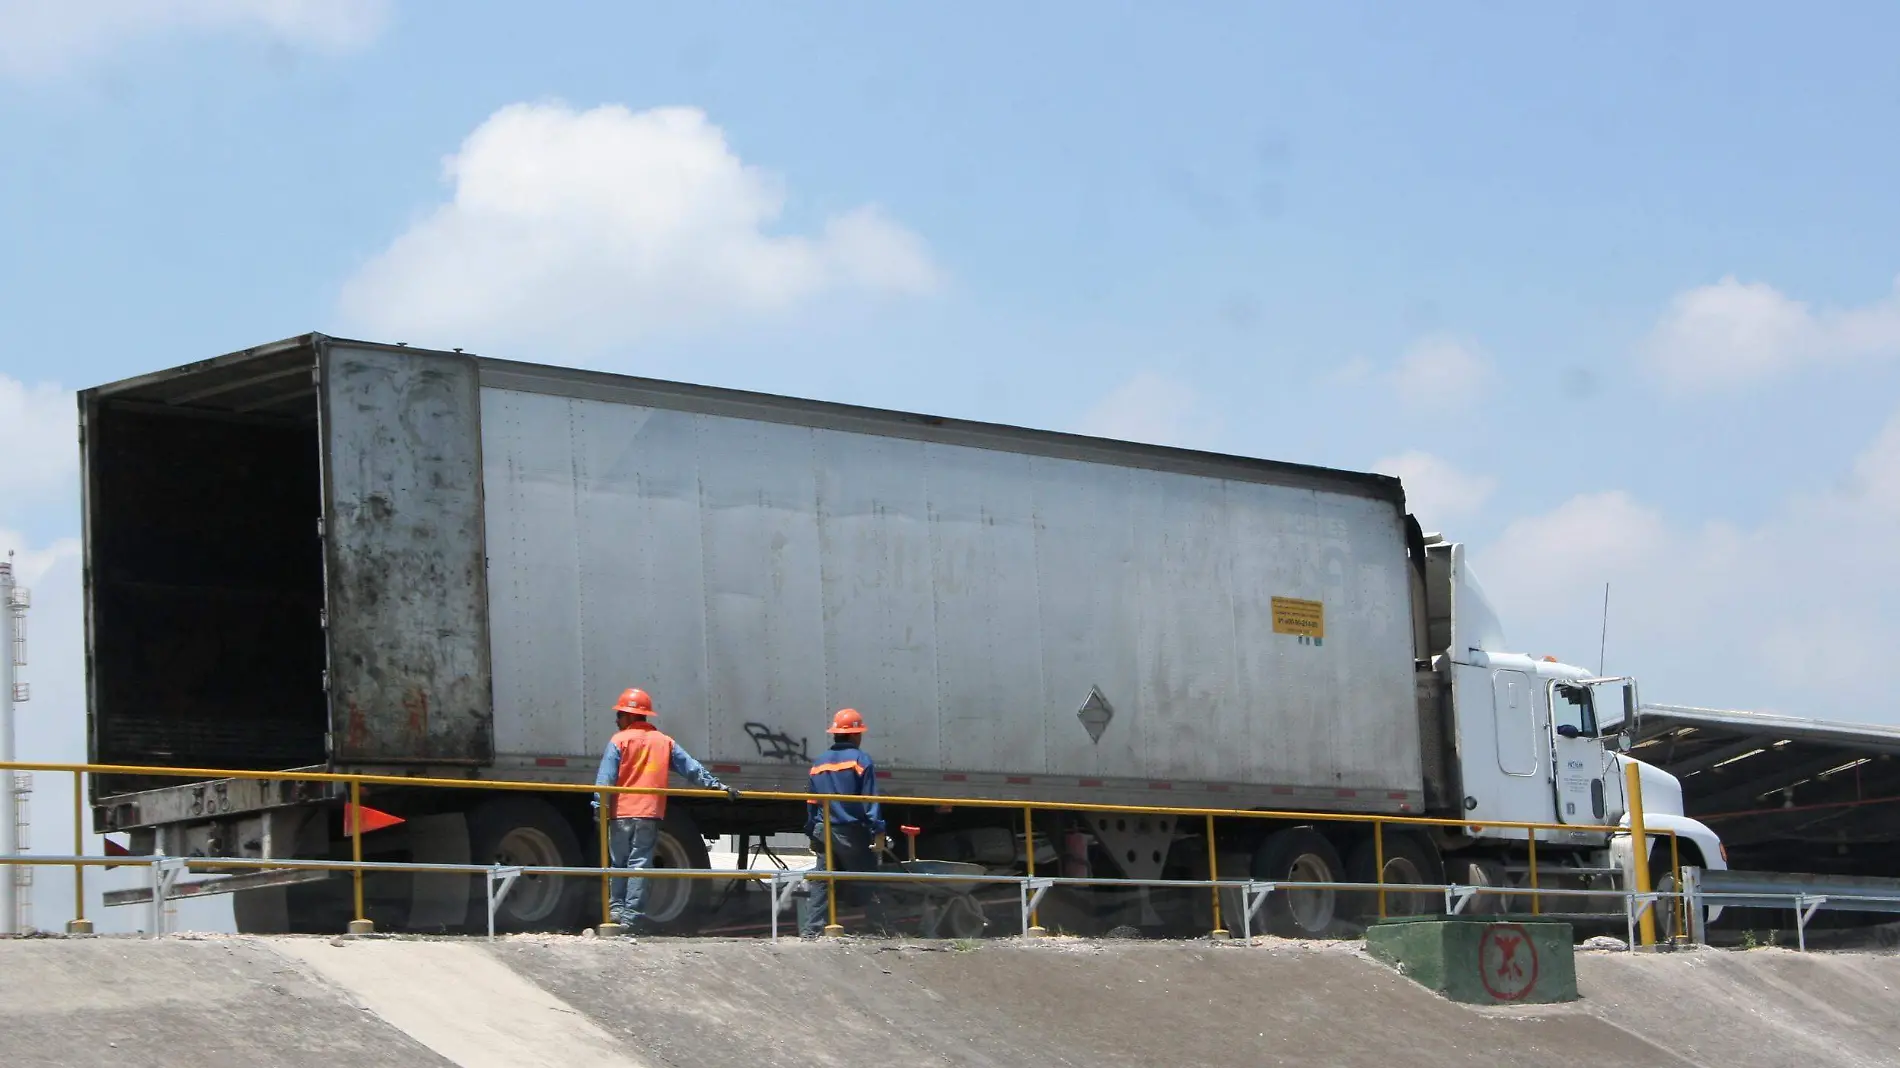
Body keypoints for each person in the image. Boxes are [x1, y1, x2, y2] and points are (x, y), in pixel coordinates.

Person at [593, 687, 740, 933]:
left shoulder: (618, 741)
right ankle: (631, 918)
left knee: (618, 863)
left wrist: (599, 806)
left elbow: (605, 779)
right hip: (649, 813)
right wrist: (718, 786)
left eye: (619, 714)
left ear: (630, 716)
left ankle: (616, 910)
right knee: (639, 864)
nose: (617, 719)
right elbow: (691, 768)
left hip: (621, 814)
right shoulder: (664, 742)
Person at [802, 708, 891, 937]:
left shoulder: (819, 763)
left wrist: (811, 829)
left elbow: (812, 801)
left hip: (823, 829)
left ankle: (811, 931)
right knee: (868, 877)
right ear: (853, 735)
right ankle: (878, 928)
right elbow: (869, 799)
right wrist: (878, 829)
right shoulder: (860, 760)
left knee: (822, 881)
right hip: (848, 830)